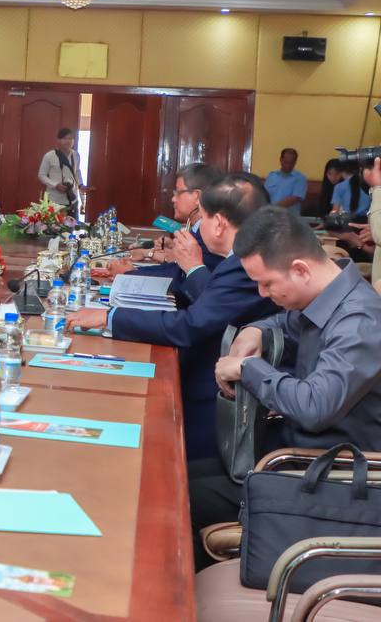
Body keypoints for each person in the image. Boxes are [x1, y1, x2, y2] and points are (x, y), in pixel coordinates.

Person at [188, 205, 381, 565]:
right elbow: (283, 325)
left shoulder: (359, 322)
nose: (262, 294)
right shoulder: (325, 298)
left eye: (267, 283)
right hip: (294, 457)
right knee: (179, 471)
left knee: (181, 499)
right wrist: (256, 330)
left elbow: (314, 407)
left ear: (301, 270)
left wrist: (248, 368)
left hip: (331, 480)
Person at [69, 174, 279, 459]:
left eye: (203, 217)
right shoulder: (239, 259)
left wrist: (110, 318)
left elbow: (191, 324)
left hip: (214, 392)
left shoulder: (244, 265)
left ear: (218, 223)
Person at [107, 163, 224, 285]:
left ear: (197, 197)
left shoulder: (208, 233)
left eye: (178, 192)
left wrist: (128, 274)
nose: (173, 199)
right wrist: (132, 272)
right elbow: (176, 269)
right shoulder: (197, 229)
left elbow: (180, 279)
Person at [37, 127, 84, 212]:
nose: (68, 141)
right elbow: (41, 175)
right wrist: (55, 185)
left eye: (70, 138)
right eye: (65, 138)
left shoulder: (76, 155)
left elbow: (77, 171)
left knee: (73, 221)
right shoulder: (49, 156)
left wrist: (81, 185)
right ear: (58, 140)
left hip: (72, 200)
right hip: (54, 200)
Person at [263, 147, 306, 214]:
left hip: (289, 218)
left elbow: (293, 199)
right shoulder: (272, 175)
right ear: (281, 160)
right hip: (270, 216)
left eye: (291, 163)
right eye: (286, 162)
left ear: (295, 162)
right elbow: (264, 194)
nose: (288, 165)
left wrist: (271, 209)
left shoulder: (300, 178)